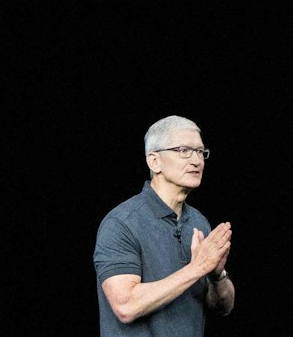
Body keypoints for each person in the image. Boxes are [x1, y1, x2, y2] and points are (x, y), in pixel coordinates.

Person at [93, 115, 236, 335]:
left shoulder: (199, 223)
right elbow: (126, 306)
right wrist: (198, 267)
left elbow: (223, 308)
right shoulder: (120, 223)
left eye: (200, 152)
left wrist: (216, 275)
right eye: (183, 150)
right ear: (154, 161)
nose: (196, 160)